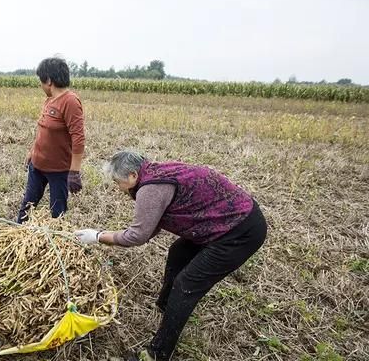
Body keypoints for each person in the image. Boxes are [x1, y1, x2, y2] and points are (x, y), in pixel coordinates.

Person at [74, 151, 267, 360]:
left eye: (117, 181)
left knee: (186, 285)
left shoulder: (150, 189)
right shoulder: (153, 173)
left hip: (239, 231)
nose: (117, 186)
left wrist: (98, 236)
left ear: (132, 175)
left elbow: (138, 235)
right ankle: (169, 306)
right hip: (220, 222)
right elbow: (150, 225)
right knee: (178, 252)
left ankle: (156, 353)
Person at [17, 57, 85, 223]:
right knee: (27, 205)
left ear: (48, 80)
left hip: (58, 170)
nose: (40, 85)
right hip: (37, 166)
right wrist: (32, 151)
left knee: (57, 212)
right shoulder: (49, 100)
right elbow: (44, 129)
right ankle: (16, 233)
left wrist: (74, 172)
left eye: (41, 80)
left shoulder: (70, 101)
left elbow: (78, 137)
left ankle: (57, 243)